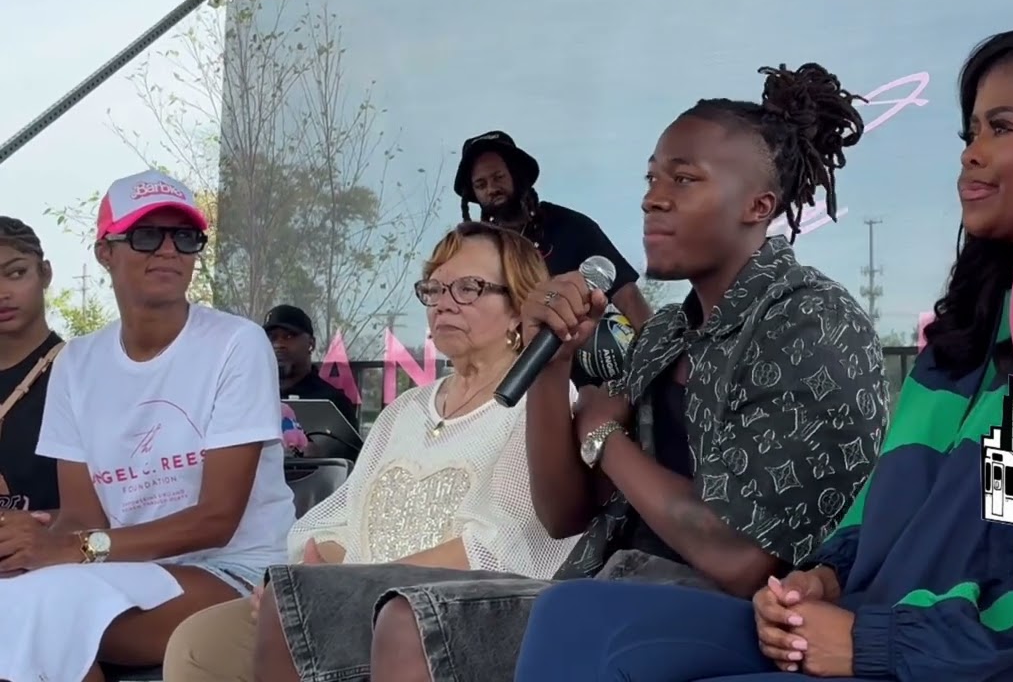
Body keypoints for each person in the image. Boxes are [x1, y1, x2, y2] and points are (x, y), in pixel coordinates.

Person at [512, 24, 1013, 681]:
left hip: (943, 659)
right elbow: (878, 516)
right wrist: (825, 577)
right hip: (866, 632)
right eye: (970, 131)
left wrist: (873, 642)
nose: (970, 152)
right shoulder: (962, 345)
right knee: (577, 618)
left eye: (1001, 128)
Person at [250, 62, 888, 682]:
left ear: (758, 204)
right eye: (651, 178)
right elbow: (564, 514)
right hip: (614, 580)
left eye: (684, 180)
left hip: (735, 610)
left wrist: (604, 439)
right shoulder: (667, 333)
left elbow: (742, 558)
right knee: (299, 600)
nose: (652, 199)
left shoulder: (807, 321)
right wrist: (553, 367)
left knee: (413, 623)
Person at [163, 222, 580, 682]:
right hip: (348, 601)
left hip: (452, 618)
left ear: (520, 305)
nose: (443, 302)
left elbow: (507, 545)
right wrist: (312, 574)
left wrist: (351, 588)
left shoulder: (543, 406)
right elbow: (339, 519)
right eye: (435, 288)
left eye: (468, 288)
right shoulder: (405, 410)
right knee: (201, 643)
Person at [0, 170, 295, 681]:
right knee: (25, 605)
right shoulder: (79, 363)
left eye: (185, 237)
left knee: (34, 615)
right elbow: (81, 517)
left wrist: (71, 550)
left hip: (237, 573)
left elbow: (215, 521)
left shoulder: (236, 343)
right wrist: (24, 544)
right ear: (104, 252)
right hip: (119, 571)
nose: (168, 250)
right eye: (145, 235)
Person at [456, 130, 651, 332]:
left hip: (572, 356)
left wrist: (660, 353)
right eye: (481, 184)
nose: (491, 189)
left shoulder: (570, 227)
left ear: (516, 176)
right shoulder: (473, 252)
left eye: (498, 177)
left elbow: (626, 294)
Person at [0, 217, 62, 514]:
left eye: (16, 273)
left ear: (45, 273)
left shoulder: (80, 371)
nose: (2, 293)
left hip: (59, 556)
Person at [264, 304, 360, 436]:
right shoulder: (252, 397)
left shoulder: (332, 403)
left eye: (289, 337)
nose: (278, 345)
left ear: (311, 344)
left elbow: (350, 454)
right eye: (271, 338)